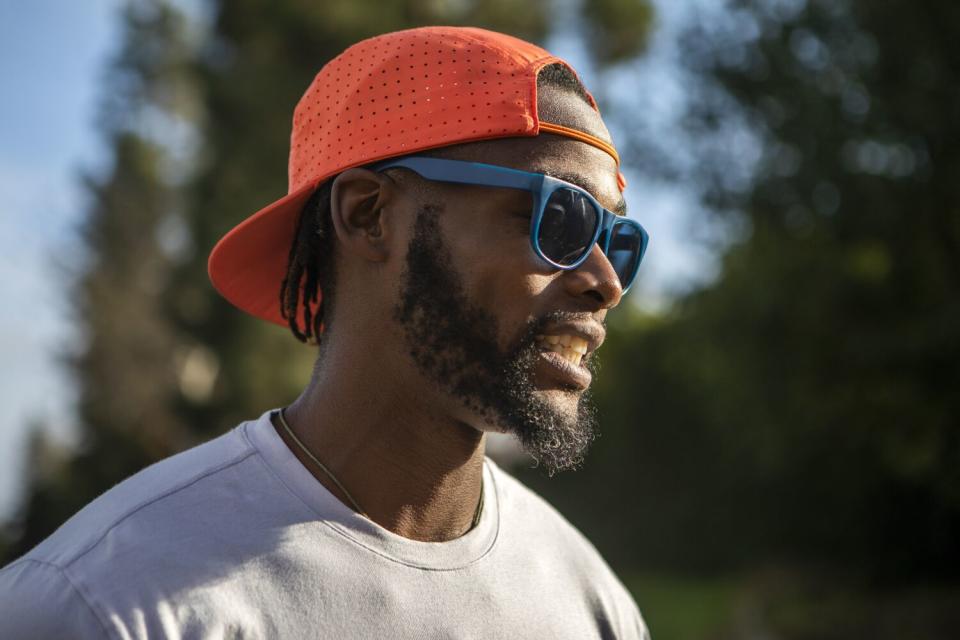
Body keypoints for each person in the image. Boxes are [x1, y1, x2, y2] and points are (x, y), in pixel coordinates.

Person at [0, 26, 650, 638]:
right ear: (369, 215)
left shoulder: (588, 601)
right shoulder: (99, 604)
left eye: (617, 240)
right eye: (560, 218)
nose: (606, 282)